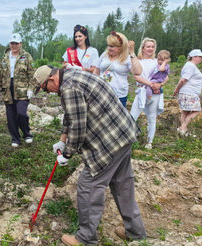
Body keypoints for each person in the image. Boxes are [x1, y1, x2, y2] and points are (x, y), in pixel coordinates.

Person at [32, 65, 147, 246]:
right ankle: (136, 232)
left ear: (52, 80)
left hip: (108, 142)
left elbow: (77, 127)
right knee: (122, 185)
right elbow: (70, 115)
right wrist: (62, 140)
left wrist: (67, 154)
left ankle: (85, 239)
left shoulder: (68, 87)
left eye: (45, 89)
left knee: (88, 185)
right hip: (123, 134)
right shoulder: (72, 74)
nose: (48, 93)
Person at [0, 33, 35, 147]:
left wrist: (30, 89)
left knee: (21, 113)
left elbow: (32, 74)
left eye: (16, 43)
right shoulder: (4, 58)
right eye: (12, 43)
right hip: (7, 90)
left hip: (22, 90)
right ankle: (15, 139)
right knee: (11, 116)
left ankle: (27, 134)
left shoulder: (26, 56)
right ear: (9, 43)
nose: (14, 45)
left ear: (20, 44)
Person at [130, 38, 169, 149]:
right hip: (142, 91)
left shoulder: (157, 62)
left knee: (152, 117)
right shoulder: (138, 61)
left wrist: (160, 85)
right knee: (132, 117)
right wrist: (150, 84)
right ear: (143, 48)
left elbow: (166, 77)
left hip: (155, 92)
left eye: (152, 46)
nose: (150, 49)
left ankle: (149, 141)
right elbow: (136, 77)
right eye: (148, 46)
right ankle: (128, 140)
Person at [94, 31, 142, 107]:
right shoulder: (104, 55)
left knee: (115, 118)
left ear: (120, 47)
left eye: (112, 46)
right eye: (108, 45)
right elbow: (96, 71)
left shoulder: (127, 58)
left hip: (118, 96)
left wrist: (132, 53)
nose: (109, 48)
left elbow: (137, 72)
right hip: (101, 93)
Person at [173, 49, 202, 136]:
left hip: (188, 93)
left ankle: (183, 131)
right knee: (197, 111)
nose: (201, 59)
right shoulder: (190, 66)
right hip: (189, 93)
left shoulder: (190, 66)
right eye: (199, 57)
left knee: (185, 112)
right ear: (193, 57)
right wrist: (177, 89)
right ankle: (182, 128)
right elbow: (183, 80)